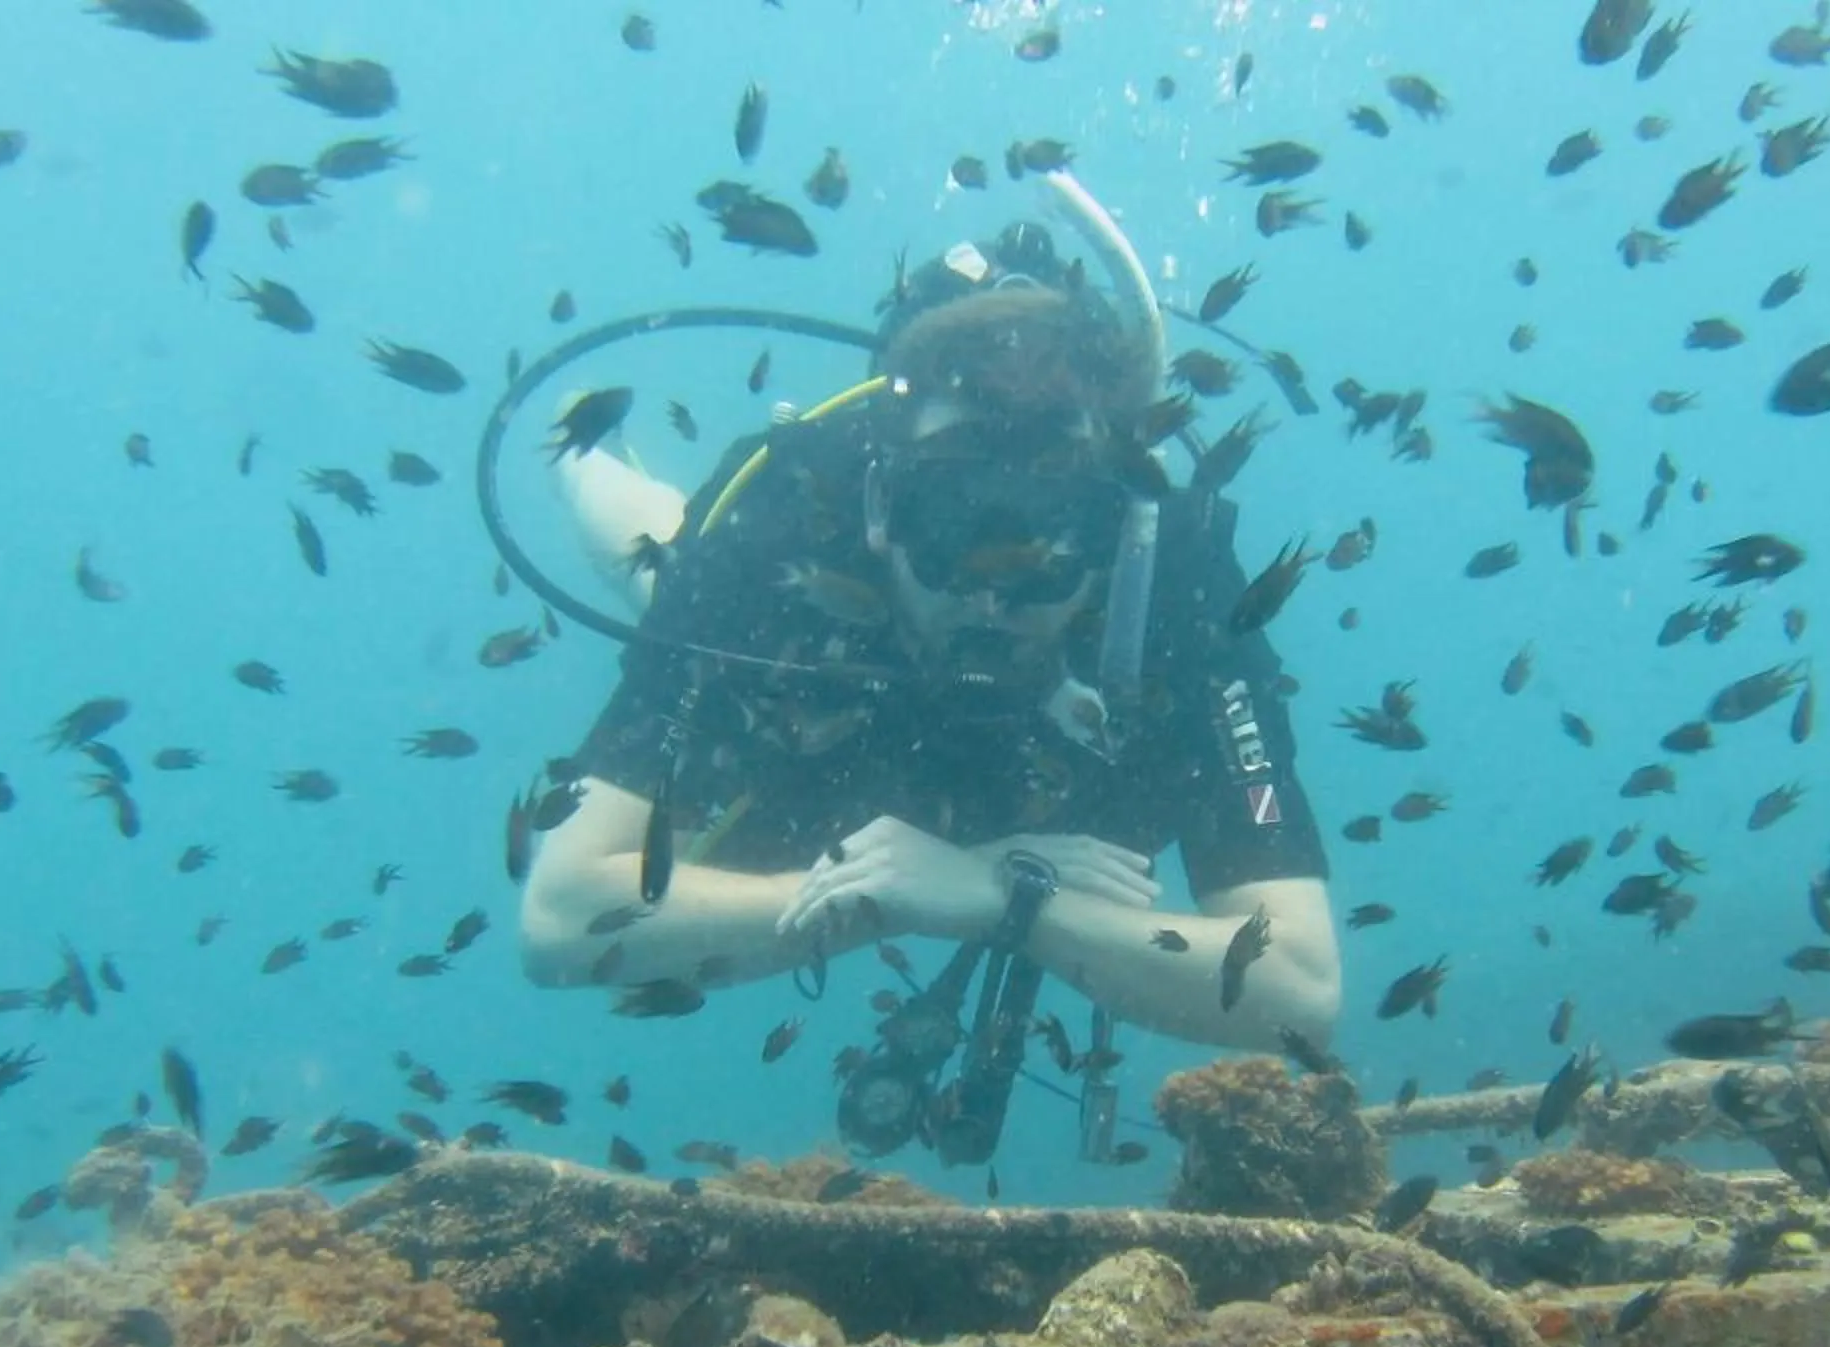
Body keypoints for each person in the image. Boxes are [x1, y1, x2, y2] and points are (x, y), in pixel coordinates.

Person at [519, 221, 1340, 1151]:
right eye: (953, 525)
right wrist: (892, 894)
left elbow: (1303, 991)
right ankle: (586, 461)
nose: (990, 593)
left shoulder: (1177, 583)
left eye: (1048, 538)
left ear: (1117, 533)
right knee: (657, 559)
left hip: (1065, 776)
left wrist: (998, 897)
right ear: (881, 507)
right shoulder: (788, 529)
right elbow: (560, 919)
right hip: (832, 689)